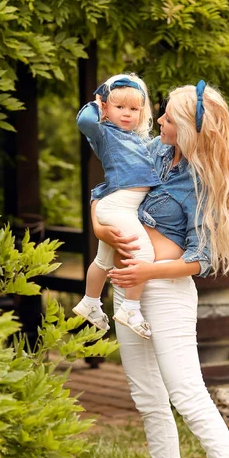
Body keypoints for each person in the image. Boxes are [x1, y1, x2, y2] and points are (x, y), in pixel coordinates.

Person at [92, 80, 229, 458]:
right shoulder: (153, 152)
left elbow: (202, 258)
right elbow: (106, 192)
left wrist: (146, 269)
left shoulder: (203, 180)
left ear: (190, 131)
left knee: (188, 397)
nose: (159, 120)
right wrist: (98, 222)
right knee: (149, 402)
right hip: (130, 291)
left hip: (166, 292)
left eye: (168, 117)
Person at [73, 73, 161, 339]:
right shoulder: (104, 132)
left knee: (103, 261)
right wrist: (97, 103)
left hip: (120, 207)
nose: (126, 114)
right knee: (143, 255)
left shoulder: (137, 138)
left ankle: (90, 302)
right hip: (118, 206)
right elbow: (84, 121)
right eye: (119, 107)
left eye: (134, 109)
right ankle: (130, 308)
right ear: (107, 110)